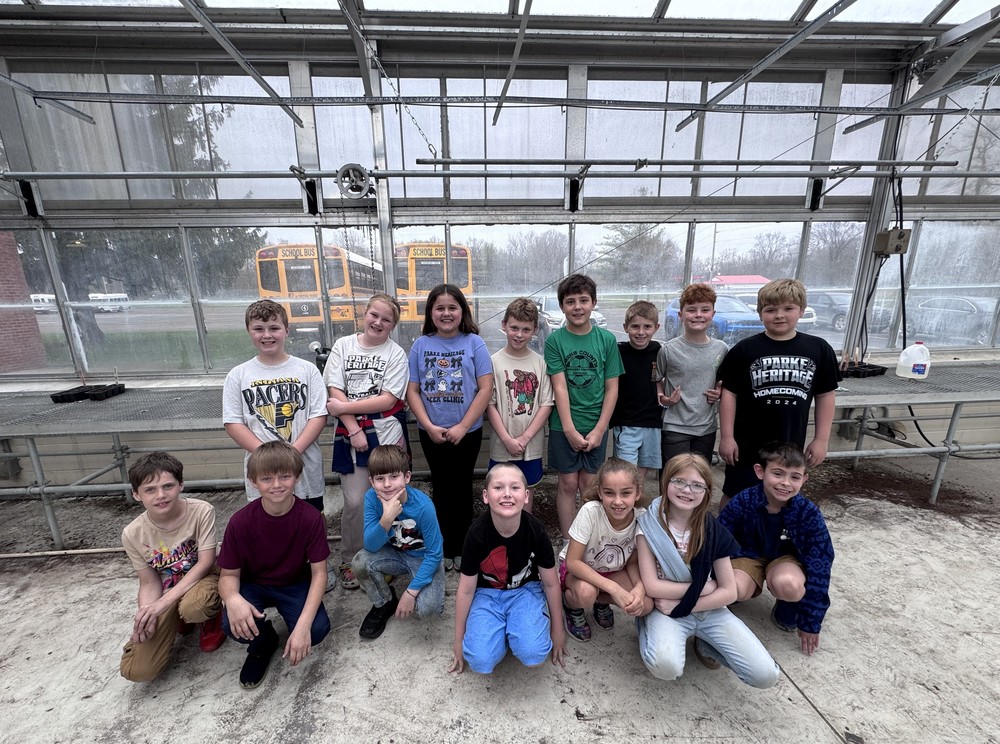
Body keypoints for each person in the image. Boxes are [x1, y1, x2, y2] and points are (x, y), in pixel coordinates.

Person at [635, 453, 779, 688]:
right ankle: (647, 630)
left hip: (702, 608)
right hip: (666, 611)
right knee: (666, 667)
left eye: (696, 485)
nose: (687, 490)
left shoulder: (713, 530)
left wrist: (688, 602)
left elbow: (729, 592)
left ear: (706, 491)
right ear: (666, 482)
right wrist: (704, 587)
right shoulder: (650, 526)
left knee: (765, 676)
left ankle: (705, 643)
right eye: (679, 481)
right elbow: (653, 586)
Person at [217, 441, 331, 689]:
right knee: (231, 623)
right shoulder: (239, 522)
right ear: (253, 481)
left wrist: (301, 628)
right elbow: (227, 575)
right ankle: (263, 642)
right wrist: (233, 599)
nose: (277, 485)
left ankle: (293, 625)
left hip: (294, 582)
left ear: (298, 477)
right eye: (267, 478)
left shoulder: (311, 518)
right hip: (254, 584)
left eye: (285, 476)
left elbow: (320, 574)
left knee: (317, 629)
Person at [717, 278, 840, 507]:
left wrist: (821, 439)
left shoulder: (819, 349)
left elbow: (825, 395)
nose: (779, 315)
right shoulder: (744, 350)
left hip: (790, 442)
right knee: (735, 494)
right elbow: (729, 394)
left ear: (801, 311)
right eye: (771, 310)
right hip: (747, 444)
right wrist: (726, 437)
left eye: (788, 308)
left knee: (781, 496)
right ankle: (724, 538)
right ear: (760, 313)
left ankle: (772, 538)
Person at [324, 293, 409, 591]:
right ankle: (351, 557)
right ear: (365, 313)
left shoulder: (396, 354)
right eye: (374, 315)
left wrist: (345, 409)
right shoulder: (343, 346)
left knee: (392, 496)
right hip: (351, 437)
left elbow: (388, 398)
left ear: (393, 325)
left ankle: (390, 553)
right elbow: (334, 389)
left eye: (386, 319)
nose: (378, 322)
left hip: (386, 435)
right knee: (356, 500)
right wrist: (353, 428)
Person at [406, 283, 493, 571]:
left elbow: (484, 389)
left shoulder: (474, 343)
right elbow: (413, 390)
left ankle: (462, 546)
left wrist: (462, 426)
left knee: (462, 487)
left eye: (452, 308)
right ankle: (442, 546)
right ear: (430, 313)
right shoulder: (420, 345)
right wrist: (429, 425)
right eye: (439, 308)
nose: (446, 313)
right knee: (441, 488)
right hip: (431, 432)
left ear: (462, 311)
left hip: (467, 432)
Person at [718, 442, 835, 656]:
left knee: (789, 584)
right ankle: (734, 596)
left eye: (794, 477)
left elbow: (821, 563)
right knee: (732, 587)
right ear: (760, 472)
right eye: (778, 474)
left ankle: (787, 607)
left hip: (785, 559)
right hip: (747, 556)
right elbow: (717, 540)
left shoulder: (808, 513)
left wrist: (811, 620)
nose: (785, 483)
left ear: (804, 479)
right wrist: (713, 587)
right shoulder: (743, 501)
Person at [448, 463, 566, 674]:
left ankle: (517, 628)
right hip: (487, 594)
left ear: (526, 495)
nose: (507, 494)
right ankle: (500, 633)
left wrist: (558, 629)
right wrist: (458, 639)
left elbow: (550, 583)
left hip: (525, 592)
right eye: (498, 488)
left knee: (535, 655)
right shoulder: (476, 534)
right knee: (480, 662)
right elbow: (466, 589)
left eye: (515, 487)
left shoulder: (536, 531)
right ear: (485, 496)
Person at [119, 451, 224, 682]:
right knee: (138, 671)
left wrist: (162, 605)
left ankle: (210, 618)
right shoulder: (132, 533)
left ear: (181, 485)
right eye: (150, 490)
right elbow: (149, 581)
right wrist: (146, 615)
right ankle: (177, 618)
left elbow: (206, 562)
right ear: (136, 495)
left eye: (168, 486)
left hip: (203, 578)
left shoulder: (201, 511)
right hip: (169, 587)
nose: (161, 495)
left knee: (194, 606)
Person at [222, 299, 328, 511]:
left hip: (304, 470)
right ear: (249, 331)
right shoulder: (238, 375)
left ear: (286, 330)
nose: (267, 335)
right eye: (259, 329)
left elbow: (318, 415)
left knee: (312, 518)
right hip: (262, 472)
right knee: (268, 523)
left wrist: (293, 453)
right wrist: (266, 457)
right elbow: (233, 422)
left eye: (274, 328)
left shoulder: (307, 370)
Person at [544, 274, 624, 541]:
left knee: (589, 485)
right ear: (562, 306)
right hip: (563, 425)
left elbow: (612, 388)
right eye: (570, 301)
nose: (577, 307)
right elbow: (560, 388)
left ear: (594, 303)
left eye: (583, 300)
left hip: (595, 425)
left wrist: (600, 430)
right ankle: (568, 542)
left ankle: (588, 539)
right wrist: (568, 429)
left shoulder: (607, 340)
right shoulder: (555, 342)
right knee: (567, 483)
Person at [351, 445, 445, 640]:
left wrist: (410, 593)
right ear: (371, 482)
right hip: (395, 553)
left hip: (423, 557)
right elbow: (370, 546)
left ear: (407, 477)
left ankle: (416, 588)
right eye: (380, 479)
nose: (387, 484)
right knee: (360, 561)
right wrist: (387, 519)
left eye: (394, 476)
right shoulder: (371, 498)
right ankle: (384, 602)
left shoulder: (423, 507)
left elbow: (435, 553)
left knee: (428, 611)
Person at [561, 457, 653, 642]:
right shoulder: (591, 511)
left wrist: (639, 589)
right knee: (586, 594)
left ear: (637, 493)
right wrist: (614, 589)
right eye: (610, 493)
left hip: (613, 570)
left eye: (626, 493)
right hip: (579, 571)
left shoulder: (642, 517)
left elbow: (634, 562)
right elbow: (572, 562)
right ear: (600, 492)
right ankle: (571, 604)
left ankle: (600, 601)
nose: (618, 501)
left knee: (646, 604)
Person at [486, 297, 554, 512]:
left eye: (526, 329)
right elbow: (490, 404)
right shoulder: (493, 362)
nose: (519, 334)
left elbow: (546, 403)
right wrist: (507, 439)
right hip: (501, 445)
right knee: (499, 492)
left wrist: (524, 438)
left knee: (525, 493)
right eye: (514, 328)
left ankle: (523, 540)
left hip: (530, 447)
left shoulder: (540, 363)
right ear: (504, 325)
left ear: (534, 330)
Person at [655, 283, 728, 464]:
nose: (698, 315)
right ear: (681, 315)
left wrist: (720, 394)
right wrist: (662, 397)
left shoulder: (722, 349)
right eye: (691, 310)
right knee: (673, 480)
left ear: (713, 314)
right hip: (675, 428)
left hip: (706, 429)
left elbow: (726, 385)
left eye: (705, 310)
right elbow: (656, 379)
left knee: (699, 481)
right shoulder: (668, 350)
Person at [610, 300, 662, 482]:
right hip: (626, 423)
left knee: (642, 471)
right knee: (625, 472)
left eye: (647, 327)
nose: (641, 332)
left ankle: (636, 505)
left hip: (652, 422)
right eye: (635, 326)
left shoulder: (660, 352)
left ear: (656, 327)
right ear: (625, 327)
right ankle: (624, 505)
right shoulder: (617, 352)